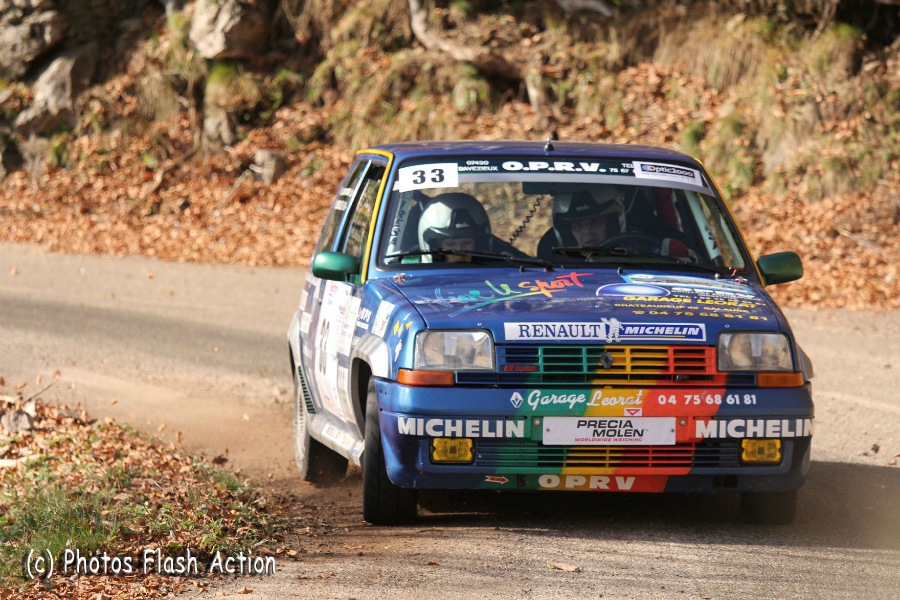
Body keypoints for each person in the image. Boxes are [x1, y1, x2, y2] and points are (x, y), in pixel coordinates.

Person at [536, 185, 625, 260]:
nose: (587, 231)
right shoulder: (554, 267)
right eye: (579, 225)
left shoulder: (635, 252)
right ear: (568, 233)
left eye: (596, 222)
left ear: (612, 224)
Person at [417, 192, 491, 263]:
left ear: (477, 244)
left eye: (467, 242)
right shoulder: (409, 269)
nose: (460, 251)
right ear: (436, 246)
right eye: (450, 244)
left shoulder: (499, 267)